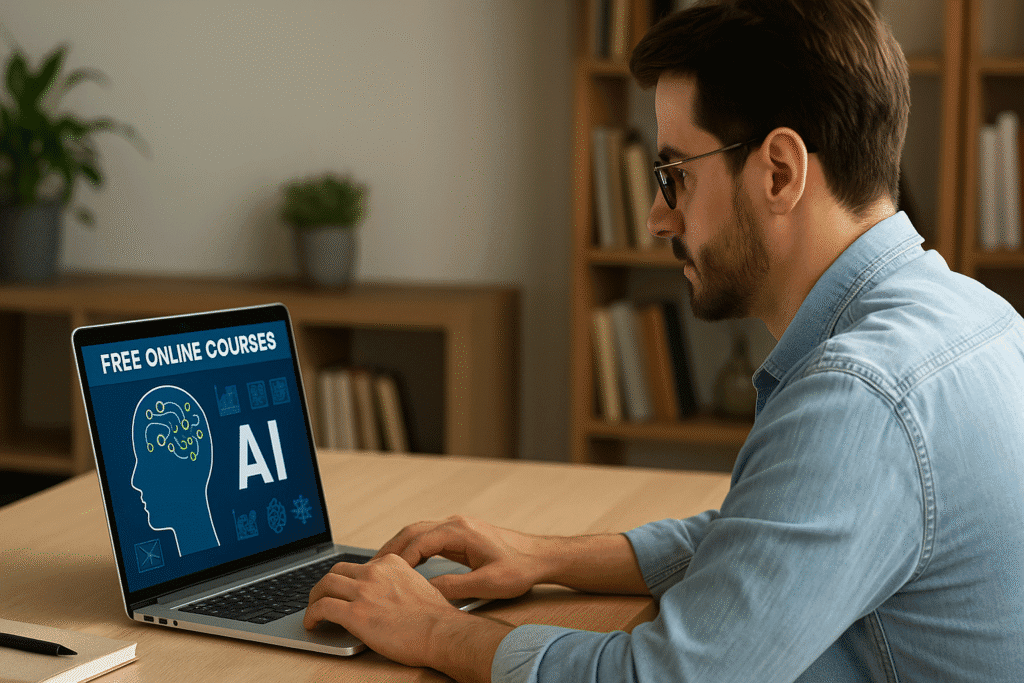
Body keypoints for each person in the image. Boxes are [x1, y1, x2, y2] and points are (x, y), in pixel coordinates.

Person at [304, 0, 1024, 680]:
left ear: (780, 171)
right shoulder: (976, 317)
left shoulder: (860, 397)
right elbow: (763, 536)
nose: (656, 216)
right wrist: (542, 555)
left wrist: (433, 630)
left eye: (674, 174)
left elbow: (665, 675)